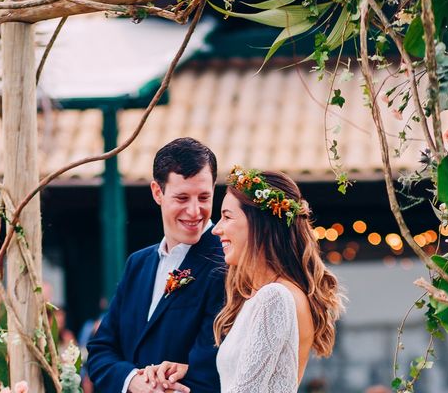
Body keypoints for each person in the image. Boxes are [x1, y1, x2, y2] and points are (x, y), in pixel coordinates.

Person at [147, 167, 343, 392]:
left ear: (259, 225)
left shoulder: (275, 297)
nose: (216, 229)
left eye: (227, 217)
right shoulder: (267, 295)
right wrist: (189, 373)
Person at [87, 137, 224, 393]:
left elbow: (215, 366)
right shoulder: (137, 264)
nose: (195, 211)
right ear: (157, 192)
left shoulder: (226, 263)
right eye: (182, 198)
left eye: (204, 197)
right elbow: (100, 350)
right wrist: (132, 382)